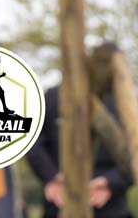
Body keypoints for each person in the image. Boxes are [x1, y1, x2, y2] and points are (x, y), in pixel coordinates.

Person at [26, 44, 134, 218]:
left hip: (110, 206)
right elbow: (32, 142)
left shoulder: (124, 105)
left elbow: (133, 154)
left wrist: (111, 182)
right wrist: (52, 176)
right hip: (61, 202)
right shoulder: (53, 98)